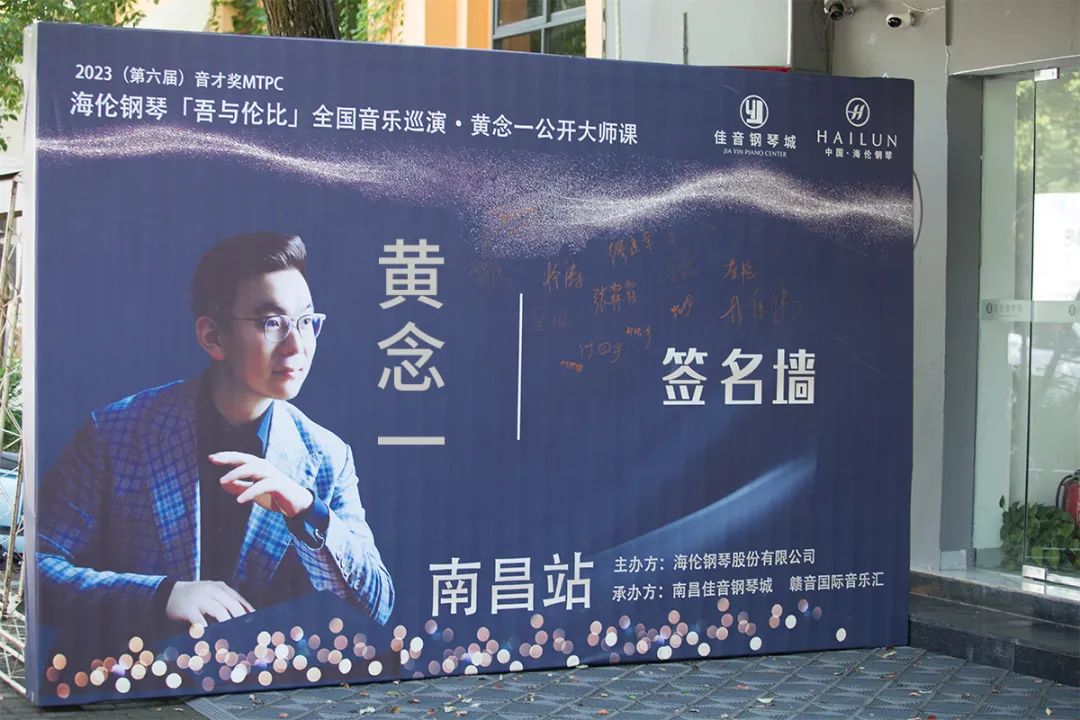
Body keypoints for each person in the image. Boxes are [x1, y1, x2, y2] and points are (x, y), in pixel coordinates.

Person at [36, 232, 393, 639]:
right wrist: (161, 596)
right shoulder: (117, 432)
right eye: (272, 323)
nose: (297, 346)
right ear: (212, 337)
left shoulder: (326, 456)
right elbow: (37, 571)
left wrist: (306, 511)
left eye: (306, 321)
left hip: (263, 676)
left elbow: (378, 604)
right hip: (130, 672)